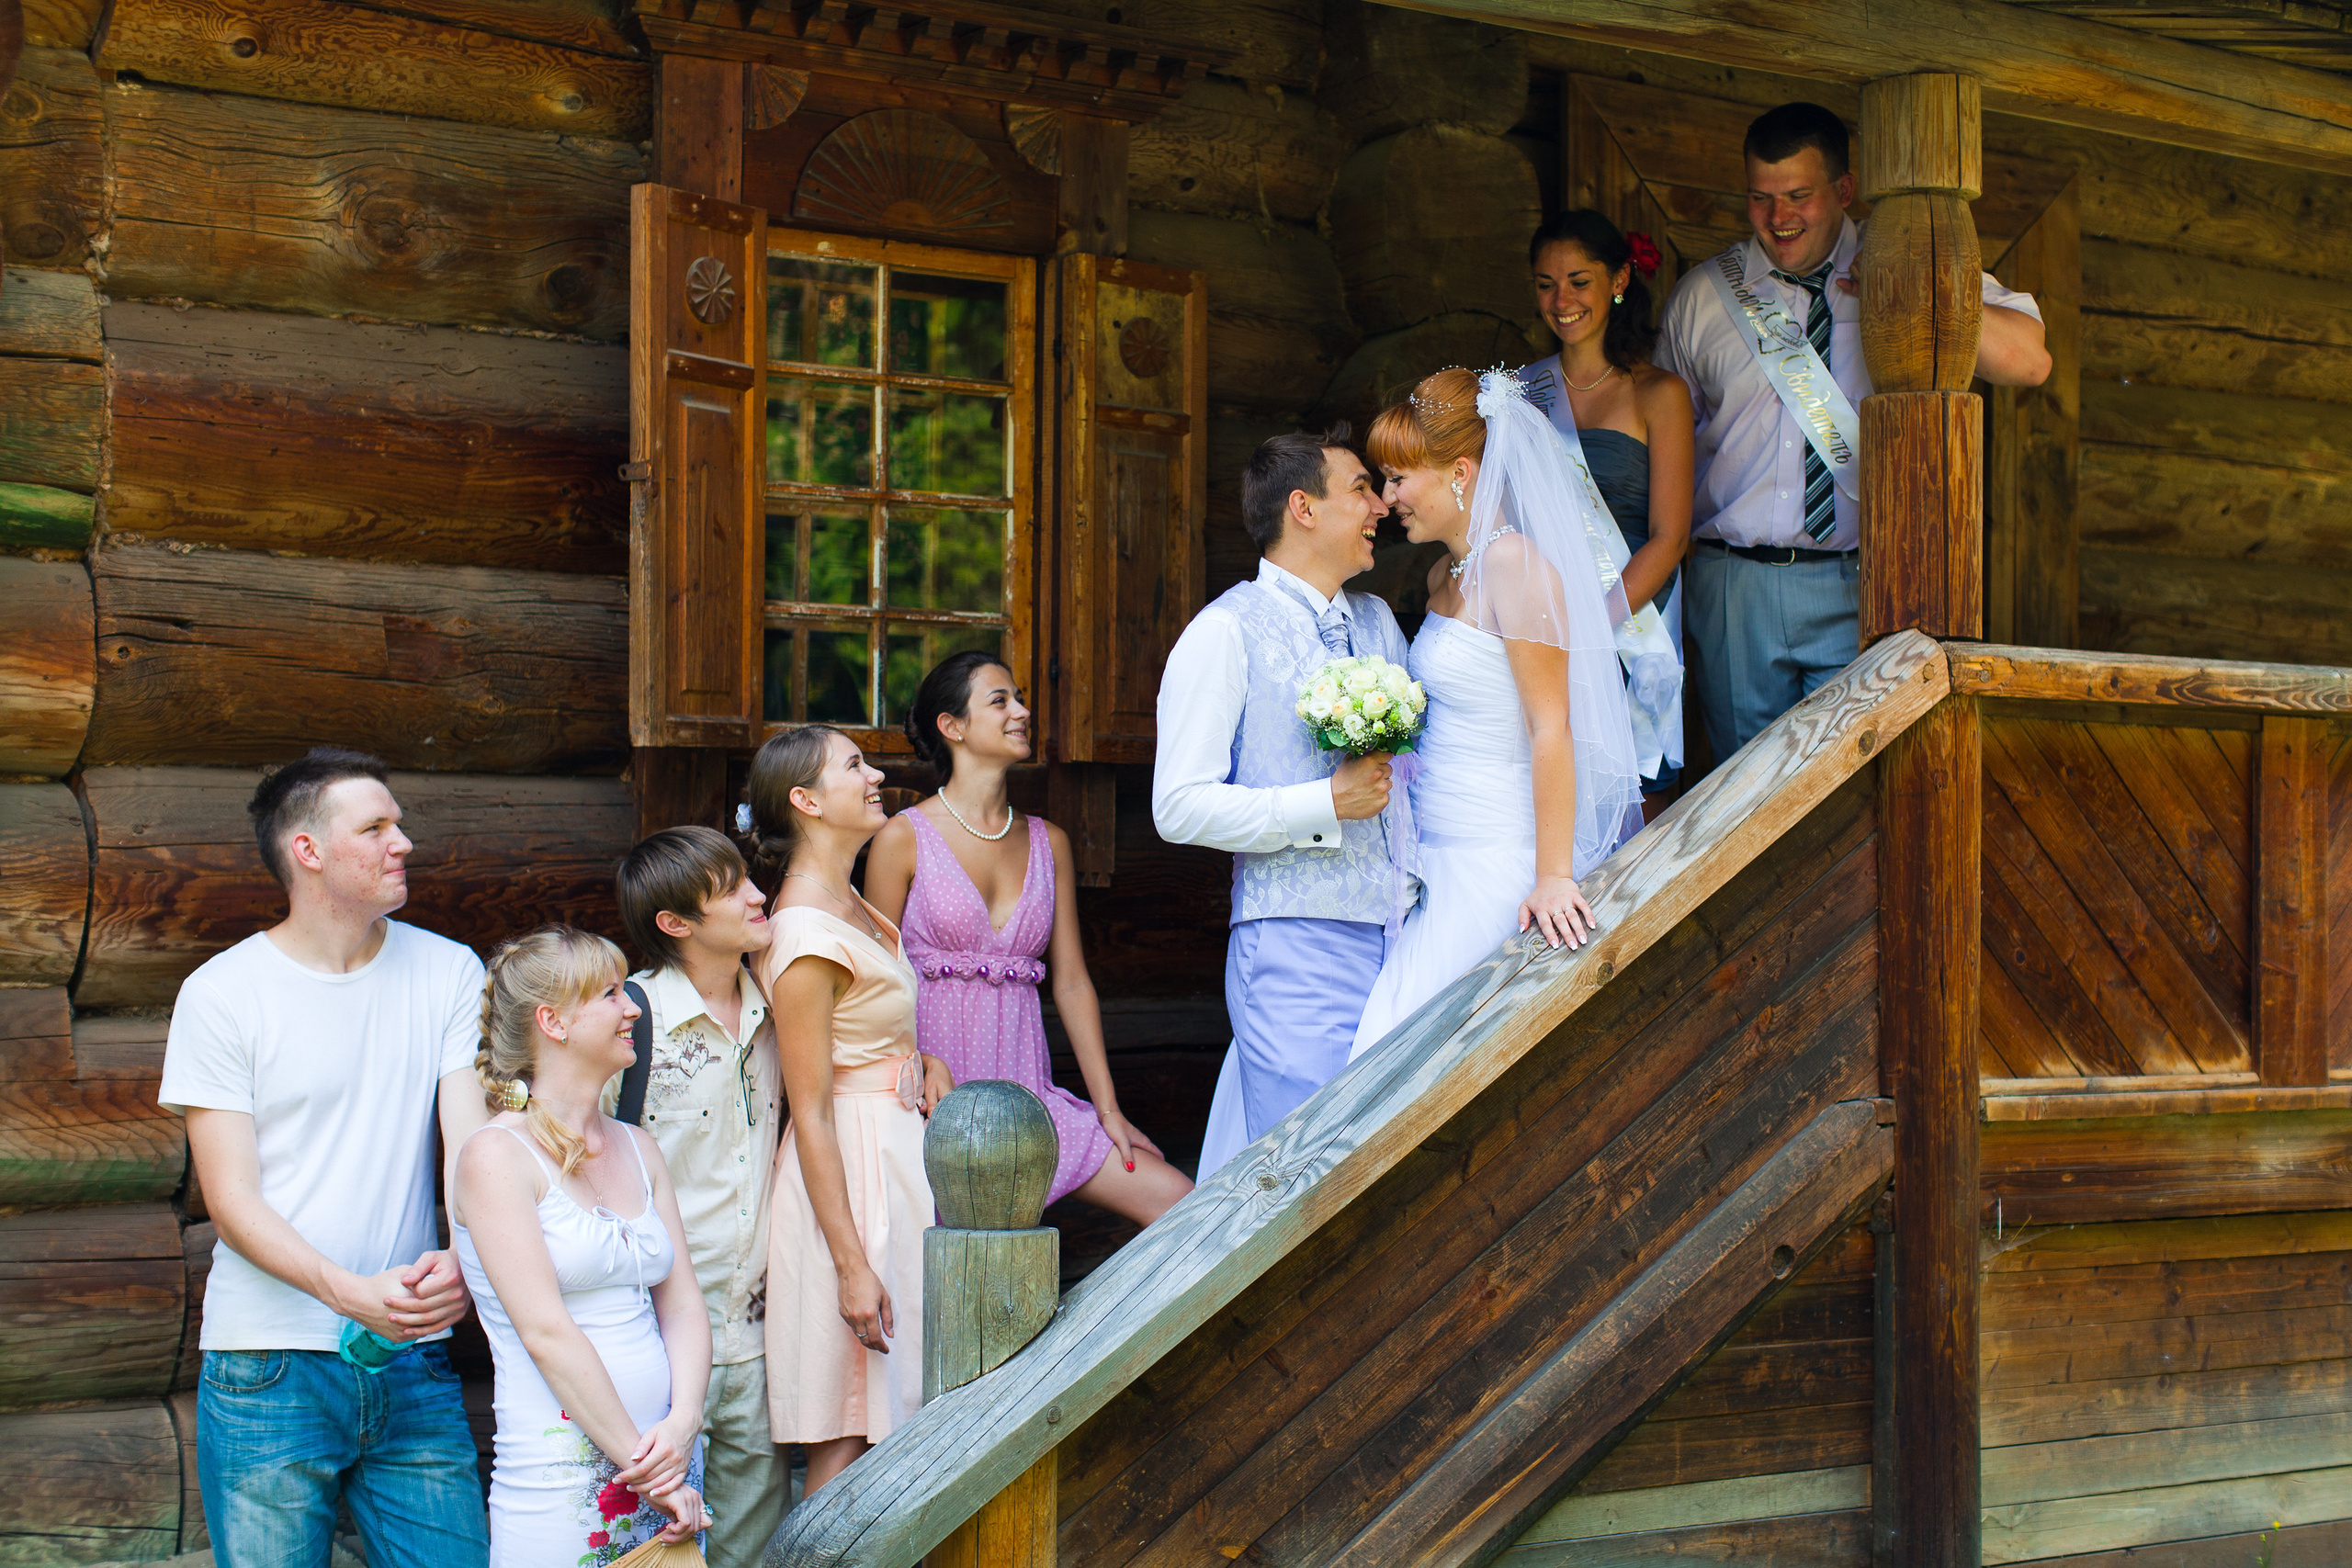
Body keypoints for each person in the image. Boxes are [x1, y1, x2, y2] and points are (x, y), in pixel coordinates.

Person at [159, 747, 492, 1568]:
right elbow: (230, 1200)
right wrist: (348, 1292)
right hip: (268, 1362)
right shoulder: (222, 992)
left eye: (399, 823)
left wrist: (464, 1257)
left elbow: (472, 1149)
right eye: (375, 826)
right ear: (307, 851)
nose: (402, 841)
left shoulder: (449, 970)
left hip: (410, 1353)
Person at [1656, 100, 2051, 759]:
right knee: (1738, 801)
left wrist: (1918, 291)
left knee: (1851, 797)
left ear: (1843, 190)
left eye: (1799, 196)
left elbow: (2031, 361)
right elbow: (1667, 443)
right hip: (1734, 588)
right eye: (1760, 198)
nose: (1779, 217)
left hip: (1859, 581)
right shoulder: (1704, 296)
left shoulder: (1899, 258)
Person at [1347, 368, 1647, 1058]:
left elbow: (1553, 726)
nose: (1389, 498)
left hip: (1496, 861)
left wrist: (1552, 876)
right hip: (1435, 857)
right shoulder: (1440, 577)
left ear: (1459, 471)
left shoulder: (1516, 564)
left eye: (1399, 478)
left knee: (1399, 1053)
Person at [1153, 426, 1412, 1181]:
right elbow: (1178, 806)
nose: (1379, 506)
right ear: (1303, 506)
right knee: (1316, 1172)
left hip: (1401, 939)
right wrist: (1323, 801)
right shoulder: (1221, 632)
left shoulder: (1379, 624)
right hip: (1296, 945)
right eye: (1361, 488)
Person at [866, 652, 1193, 1225]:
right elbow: (871, 978)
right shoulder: (902, 838)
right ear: (953, 727)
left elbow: (1070, 984)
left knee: (1178, 1201)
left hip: (1028, 1103)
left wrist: (1108, 1109)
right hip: (928, 1101)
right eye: (1001, 701)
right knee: (945, 1272)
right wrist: (915, 1062)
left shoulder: (1050, 842)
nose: (1021, 711)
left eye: (1019, 698)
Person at [454, 928, 712, 1568]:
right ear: (554, 1022)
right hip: (564, 1480)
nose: (632, 1008)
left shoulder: (638, 1146)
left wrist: (683, 1424)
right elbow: (545, 1329)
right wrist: (650, 1471)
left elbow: (681, 1306)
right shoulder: (495, 1156)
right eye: (609, 993)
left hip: (671, 1464)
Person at [747, 726, 954, 1496]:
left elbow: (867, 1033)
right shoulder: (803, 932)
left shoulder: (852, 899)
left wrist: (921, 1061)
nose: (877, 775)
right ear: (805, 801)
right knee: (845, 1432)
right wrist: (850, 1265)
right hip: (849, 1180)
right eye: (855, 766)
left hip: (896, 1160)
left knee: (899, 1412)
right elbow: (814, 1106)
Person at [607, 828, 786, 1568]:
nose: (757, 894)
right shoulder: (627, 1020)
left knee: (752, 1551)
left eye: (750, 877)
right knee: (651, 1551)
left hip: (758, 1337)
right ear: (676, 925)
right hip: (656, 1341)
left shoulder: (781, 1006)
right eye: (730, 888)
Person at [1521, 209, 1695, 812]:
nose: (1561, 299)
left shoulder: (1660, 393)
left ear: (1619, 280)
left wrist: (1593, 629)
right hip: (1543, 624)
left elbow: (1670, 538)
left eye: (1578, 280)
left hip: (1629, 621)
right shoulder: (1521, 395)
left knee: (1635, 797)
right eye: (1546, 284)